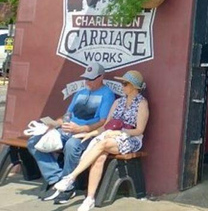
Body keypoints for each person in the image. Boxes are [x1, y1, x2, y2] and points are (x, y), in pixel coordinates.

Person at [55, 70, 149, 211]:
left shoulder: (142, 104)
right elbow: (106, 126)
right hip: (111, 136)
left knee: (102, 143)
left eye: (125, 83)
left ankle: (71, 177)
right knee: (99, 157)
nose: (122, 86)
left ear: (134, 86)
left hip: (131, 139)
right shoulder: (118, 102)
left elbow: (139, 130)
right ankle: (90, 199)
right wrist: (89, 133)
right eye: (122, 83)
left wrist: (119, 132)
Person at [28, 62, 115, 204]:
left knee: (72, 145)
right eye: (86, 78)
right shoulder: (80, 92)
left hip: (88, 133)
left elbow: (103, 121)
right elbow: (67, 115)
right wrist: (54, 123)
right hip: (67, 129)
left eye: (91, 78)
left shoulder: (107, 94)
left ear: (100, 77)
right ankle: (56, 180)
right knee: (34, 141)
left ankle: (68, 188)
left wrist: (81, 129)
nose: (88, 81)